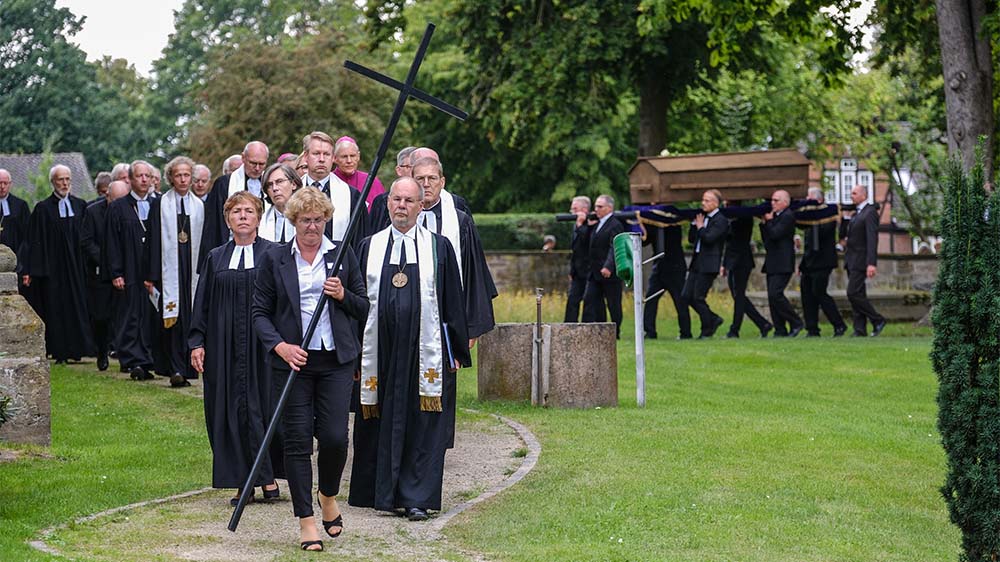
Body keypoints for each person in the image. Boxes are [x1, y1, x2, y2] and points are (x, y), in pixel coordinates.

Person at [252, 187, 369, 552]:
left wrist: (341, 295)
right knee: (298, 440)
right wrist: (281, 347)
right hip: (293, 362)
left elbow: (364, 306)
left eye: (319, 220)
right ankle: (306, 521)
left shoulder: (341, 255)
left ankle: (328, 495)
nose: (313, 227)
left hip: (334, 360)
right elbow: (259, 313)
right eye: (306, 220)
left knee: (335, 436)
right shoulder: (275, 259)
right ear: (294, 221)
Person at [349, 176, 471, 522]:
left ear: (421, 206)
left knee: (423, 425)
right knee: (379, 418)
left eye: (409, 201)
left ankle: (417, 498)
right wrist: (355, 353)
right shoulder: (368, 247)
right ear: (387, 204)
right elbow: (358, 303)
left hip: (424, 353)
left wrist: (456, 352)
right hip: (380, 352)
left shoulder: (438, 247)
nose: (401, 206)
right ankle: (379, 492)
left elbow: (452, 304)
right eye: (396, 200)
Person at [190, 191, 280, 507]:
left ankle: (266, 476)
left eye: (249, 211)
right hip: (223, 346)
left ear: (259, 217)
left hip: (263, 346)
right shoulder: (215, 257)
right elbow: (201, 302)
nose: (243, 216)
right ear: (228, 219)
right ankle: (243, 481)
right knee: (229, 409)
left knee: (261, 408)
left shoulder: (273, 253)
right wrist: (197, 342)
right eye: (236, 211)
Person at [411, 157, 496, 339]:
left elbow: (472, 271)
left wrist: (471, 327)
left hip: (447, 311)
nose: (426, 184)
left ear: (442, 182)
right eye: (420, 179)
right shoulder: (397, 220)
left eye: (432, 178)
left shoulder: (459, 221)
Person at [21, 165, 95, 363]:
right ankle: (60, 351)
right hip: (55, 270)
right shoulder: (43, 209)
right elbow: (34, 241)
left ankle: (78, 349)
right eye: (61, 179)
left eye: (68, 179)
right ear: (53, 182)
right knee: (57, 309)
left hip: (77, 269)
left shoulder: (81, 205)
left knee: (78, 306)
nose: (65, 183)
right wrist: (33, 270)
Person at [148, 156, 205, 387]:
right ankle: (174, 368)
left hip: (191, 269)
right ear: (170, 177)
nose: (183, 179)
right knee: (173, 318)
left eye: (186, 175)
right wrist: (151, 275)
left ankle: (189, 369)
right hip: (168, 270)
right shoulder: (160, 204)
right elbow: (152, 241)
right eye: (178, 175)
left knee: (191, 318)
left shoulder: (200, 206)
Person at [106, 160, 157, 379]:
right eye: (139, 176)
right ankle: (132, 359)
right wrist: (116, 272)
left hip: (153, 270)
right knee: (131, 316)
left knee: (151, 315)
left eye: (148, 176)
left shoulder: (159, 203)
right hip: (129, 268)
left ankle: (150, 358)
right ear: (130, 179)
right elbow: (111, 242)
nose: (144, 180)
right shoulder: (119, 206)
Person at [80, 180, 130, 371]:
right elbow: (86, 241)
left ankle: (126, 356)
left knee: (124, 317)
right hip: (100, 273)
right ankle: (102, 351)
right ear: (107, 195)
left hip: (124, 271)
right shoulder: (93, 212)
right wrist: (107, 260)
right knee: (101, 316)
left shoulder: (128, 211)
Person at [202, 142, 270, 262]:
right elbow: (213, 225)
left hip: (264, 250)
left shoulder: (270, 184)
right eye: (253, 163)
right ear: (243, 158)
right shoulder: (224, 184)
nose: (257, 168)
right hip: (229, 249)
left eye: (262, 164)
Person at [798, 187, 847, 337]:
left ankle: (838, 324)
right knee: (806, 295)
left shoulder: (828, 216)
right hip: (809, 262)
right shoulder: (809, 218)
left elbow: (823, 232)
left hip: (823, 261)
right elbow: (808, 242)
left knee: (819, 292)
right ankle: (812, 329)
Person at [300, 131, 364, 243]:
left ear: (333, 157)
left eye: (326, 154)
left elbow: (359, 239)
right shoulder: (293, 191)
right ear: (306, 156)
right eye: (316, 154)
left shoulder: (350, 195)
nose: (321, 159)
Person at [682, 189, 728, 339]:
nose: (703, 203)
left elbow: (709, 239)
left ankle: (707, 328)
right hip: (697, 262)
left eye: (707, 200)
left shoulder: (721, 220)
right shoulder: (702, 218)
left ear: (716, 203)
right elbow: (691, 240)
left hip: (709, 263)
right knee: (686, 296)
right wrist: (694, 226)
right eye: (703, 200)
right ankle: (713, 319)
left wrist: (701, 227)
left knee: (698, 297)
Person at [759, 190, 804, 337]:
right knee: (772, 297)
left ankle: (796, 321)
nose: (773, 203)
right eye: (772, 200)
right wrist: (764, 223)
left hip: (783, 261)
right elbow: (767, 239)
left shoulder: (787, 216)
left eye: (776, 200)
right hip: (772, 260)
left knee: (776, 293)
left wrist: (770, 221)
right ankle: (780, 329)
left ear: (785, 202)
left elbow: (776, 234)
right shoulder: (775, 216)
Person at [844, 184, 886, 336]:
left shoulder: (869, 213)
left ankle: (877, 319)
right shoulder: (857, 214)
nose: (851, 196)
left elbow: (872, 239)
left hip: (861, 260)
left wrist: (871, 263)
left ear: (863, 195)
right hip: (852, 259)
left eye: (854, 193)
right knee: (859, 294)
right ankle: (859, 329)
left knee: (852, 293)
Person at [581, 194, 625, 338]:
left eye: (600, 206)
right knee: (590, 299)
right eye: (595, 206)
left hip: (609, 272)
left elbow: (615, 247)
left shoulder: (615, 224)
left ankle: (615, 332)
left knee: (613, 303)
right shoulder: (596, 224)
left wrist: (609, 266)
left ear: (609, 208)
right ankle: (594, 331)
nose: (596, 209)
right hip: (594, 272)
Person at [723, 211, 772, 338]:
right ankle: (762, 324)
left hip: (741, 261)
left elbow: (731, 235)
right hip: (732, 261)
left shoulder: (743, 217)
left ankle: (735, 329)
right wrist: (724, 264)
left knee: (739, 296)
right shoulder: (730, 218)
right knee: (738, 297)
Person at [643, 222, 692, 339]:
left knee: (680, 300)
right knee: (650, 299)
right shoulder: (653, 224)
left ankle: (685, 332)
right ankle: (650, 332)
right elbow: (645, 240)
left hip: (675, 267)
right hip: (659, 268)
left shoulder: (673, 222)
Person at [333, 136, 385, 208]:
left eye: (352, 156)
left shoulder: (372, 181)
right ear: (335, 158)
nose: (349, 161)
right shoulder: (328, 180)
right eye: (344, 156)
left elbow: (382, 212)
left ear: (358, 156)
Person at [563, 196, 591, 323]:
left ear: (584, 209)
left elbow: (587, 241)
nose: (572, 212)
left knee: (589, 301)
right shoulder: (575, 225)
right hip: (577, 271)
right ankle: (569, 326)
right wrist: (572, 270)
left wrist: (580, 224)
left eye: (575, 209)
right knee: (572, 300)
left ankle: (587, 326)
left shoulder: (592, 223)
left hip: (589, 270)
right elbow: (576, 250)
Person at [259, 163, 301, 243]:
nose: (274, 188)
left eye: (279, 181)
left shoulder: (308, 216)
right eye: (270, 185)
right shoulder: (260, 221)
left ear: (293, 184)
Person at [0, 168, 30, 272]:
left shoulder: (21, 205)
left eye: (5, 183)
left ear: (10, 184)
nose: (2, 187)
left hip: (17, 259)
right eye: (0, 183)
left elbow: (27, 236)